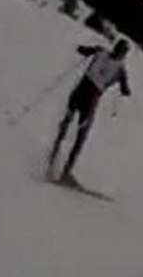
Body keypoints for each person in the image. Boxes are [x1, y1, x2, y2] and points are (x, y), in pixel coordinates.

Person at [47, 39, 131, 184]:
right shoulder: (120, 68)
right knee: (81, 136)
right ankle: (65, 172)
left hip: (79, 92)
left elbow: (81, 50)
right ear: (123, 53)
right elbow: (126, 89)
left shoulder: (101, 52)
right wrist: (124, 89)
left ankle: (52, 158)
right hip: (91, 100)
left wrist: (88, 51)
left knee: (66, 123)